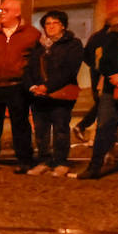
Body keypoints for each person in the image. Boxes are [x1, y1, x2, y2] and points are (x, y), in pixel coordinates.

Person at [0, 0, 42, 173]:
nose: (1, 13)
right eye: (1, 10)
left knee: (20, 124)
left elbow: (37, 60)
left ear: (17, 13)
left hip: (17, 86)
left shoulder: (31, 34)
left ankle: (25, 159)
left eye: (5, 10)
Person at [24, 10, 83, 177]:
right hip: (38, 96)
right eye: (47, 24)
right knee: (41, 130)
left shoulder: (72, 44)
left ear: (63, 26)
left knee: (60, 129)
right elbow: (28, 68)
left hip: (60, 94)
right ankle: (43, 161)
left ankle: (61, 162)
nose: (50, 27)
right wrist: (32, 87)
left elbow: (69, 70)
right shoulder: (38, 46)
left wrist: (48, 87)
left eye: (54, 23)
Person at [81, 6, 118, 180]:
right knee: (104, 128)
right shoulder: (113, 40)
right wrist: (113, 76)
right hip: (112, 90)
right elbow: (102, 62)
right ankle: (94, 166)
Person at [78, 10, 118, 144]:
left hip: (97, 74)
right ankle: (97, 136)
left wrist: (93, 66)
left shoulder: (95, 36)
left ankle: (87, 129)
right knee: (106, 107)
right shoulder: (114, 37)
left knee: (102, 105)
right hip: (108, 77)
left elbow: (85, 55)